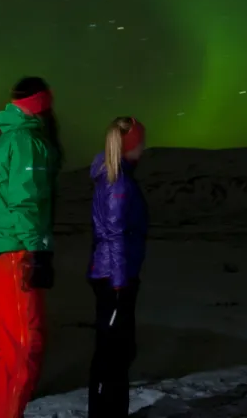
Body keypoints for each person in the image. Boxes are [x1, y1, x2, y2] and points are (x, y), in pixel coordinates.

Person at [0, 76, 62, 418]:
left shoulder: (8, 140)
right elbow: (26, 201)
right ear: (42, 105)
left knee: (5, 345)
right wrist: (38, 251)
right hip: (17, 251)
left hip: (1, 252)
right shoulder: (28, 142)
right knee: (25, 345)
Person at [86, 116, 149, 418]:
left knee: (117, 352)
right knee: (113, 355)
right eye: (142, 143)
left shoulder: (117, 177)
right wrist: (122, 285)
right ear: (132, 145)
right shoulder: (118, 183)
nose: (145, 149)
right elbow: (116, 234)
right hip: (114, 279)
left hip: (114, 276)